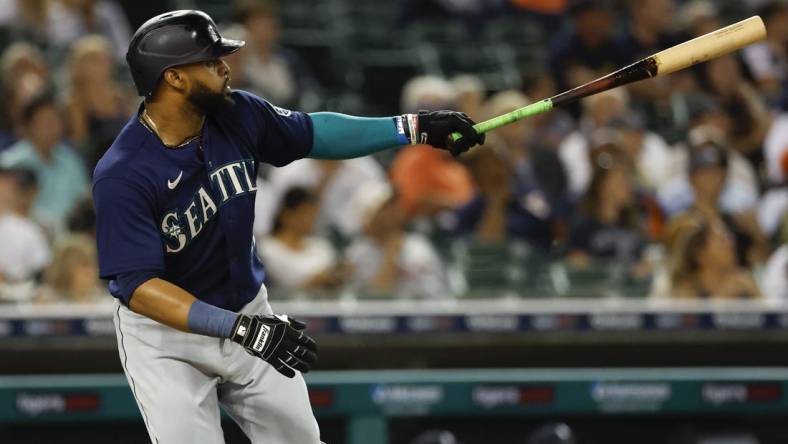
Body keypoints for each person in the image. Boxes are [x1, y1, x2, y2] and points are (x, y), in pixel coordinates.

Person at [92, 10, 483, 444]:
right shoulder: (123, 173)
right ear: (174, 79)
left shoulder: (237, 112)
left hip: (248, 313)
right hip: (168, 339)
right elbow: (140, 288)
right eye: (209, 60)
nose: (225, 66)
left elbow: (315, 132)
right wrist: (239, 329)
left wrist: (414, 128)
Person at [0, 91, 89, 232]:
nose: (52, 128)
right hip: (27, 235)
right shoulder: (10, 164)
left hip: (69, 236)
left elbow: (83, 203)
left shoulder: (71, 160)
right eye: (45, 122)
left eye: (55, 120)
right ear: (28, 127)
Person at [345, 183, 450, 298]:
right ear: (369, 217)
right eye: (385, 207)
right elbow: (374, 300)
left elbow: (442, 291)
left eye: (394, 204)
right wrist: (391, 255)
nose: (395, 209)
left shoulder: (420, 245)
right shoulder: (357, 255)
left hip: (428, 313)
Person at [258, 186, 343, 293]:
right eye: (304, 213)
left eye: (313, 214)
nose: (310, 219)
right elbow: (276, 283)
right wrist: (312, 282)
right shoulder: (266, 249)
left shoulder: (322, 247)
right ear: (286, 214)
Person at [668, 215, 761, 299]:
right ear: (700, 253)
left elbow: (769, 315)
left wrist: (755, 295)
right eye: (722, 239)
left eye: (729, 238)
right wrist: (722, 297)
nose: (731, 244)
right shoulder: (685, 290)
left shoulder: (744, 282)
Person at [38, 234, 104, 303]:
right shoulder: (46, 299)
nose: (91, 271)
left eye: (92, 264)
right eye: (84, 265)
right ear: (65, 270)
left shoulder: (101, 298)